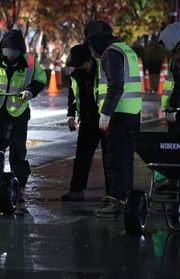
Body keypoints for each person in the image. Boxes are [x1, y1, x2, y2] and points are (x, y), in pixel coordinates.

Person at [0, 29, 47, 202]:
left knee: (18, 152)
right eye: (7, 53)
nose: (10, 57)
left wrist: (30, 91)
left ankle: (19, 188)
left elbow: (41, 80)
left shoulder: (30, 61)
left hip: (18, 113)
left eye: (14, 54)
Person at [84, 21, 142, 217]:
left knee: (116, 159)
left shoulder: (111, 53)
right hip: (132, 113)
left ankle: (117, 201)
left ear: (96, 40)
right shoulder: (126, 49)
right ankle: (124, 199)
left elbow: (116, 85)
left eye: (91, 44)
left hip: (118, 115)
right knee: (124, 159)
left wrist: (106, 112)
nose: (91, 50)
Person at [61, 44, 102, 201]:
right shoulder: (77, 72)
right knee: (82, 156)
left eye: (81, 64)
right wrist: (71, 115)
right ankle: (76, 191)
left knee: (110, 158)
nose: (78, 67)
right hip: (88, 118)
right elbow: (73, 94)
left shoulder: (103, 69)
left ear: (90, 60)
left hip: (106, 117)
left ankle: (113, 195)